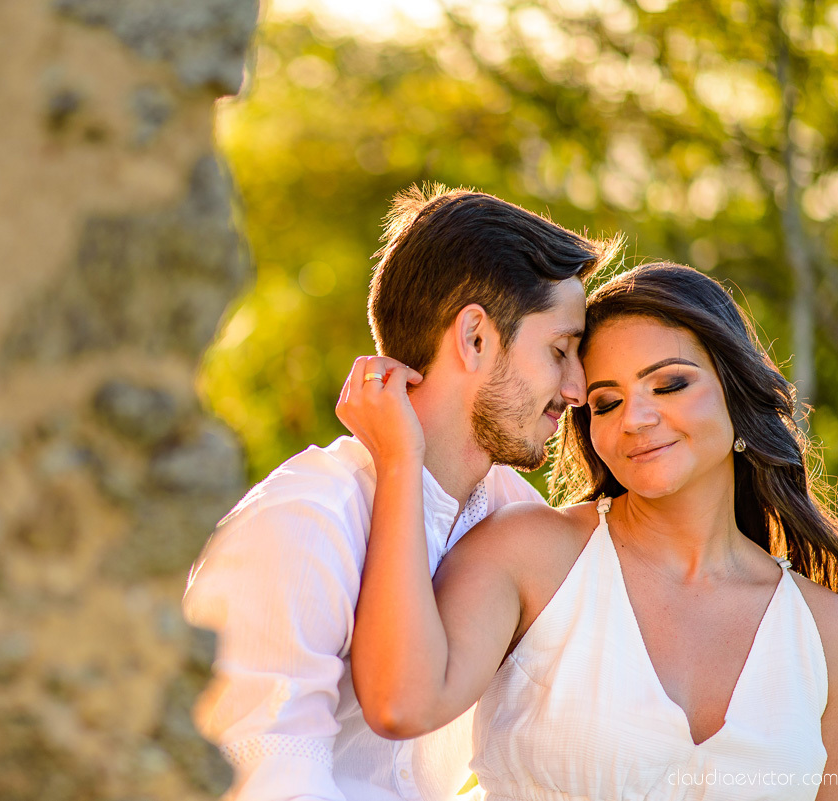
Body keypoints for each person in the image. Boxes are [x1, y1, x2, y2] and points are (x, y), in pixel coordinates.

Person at [340, 261, 838, 800]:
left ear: (735, 391)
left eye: (668, 384)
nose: (635, 419)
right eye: (607, 402)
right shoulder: (532, 555)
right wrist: (400, 460)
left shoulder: (827, 636)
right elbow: (401, 703)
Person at [181, 185, 620, 801]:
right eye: (559, 351)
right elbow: (264, 777)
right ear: (474, 338)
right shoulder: (306, 522)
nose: (576, 388)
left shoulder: (511, 515)